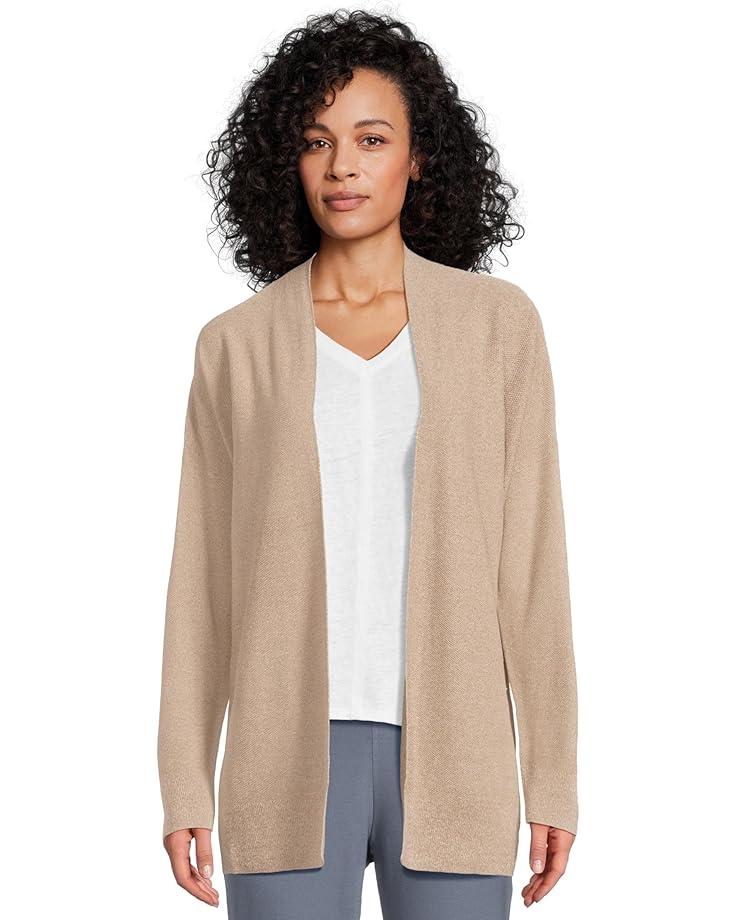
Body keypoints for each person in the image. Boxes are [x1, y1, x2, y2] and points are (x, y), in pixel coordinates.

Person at [157, 10, 578, 919]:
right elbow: (201, 582)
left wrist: (553, 775)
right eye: (317, 142)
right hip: (281, 751)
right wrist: (185, 778)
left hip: (458, 746)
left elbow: (532, 568)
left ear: (420, 157)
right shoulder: (235, 345)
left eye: (372, 139)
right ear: (288, 161)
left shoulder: (498, 327)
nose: (342, 166)